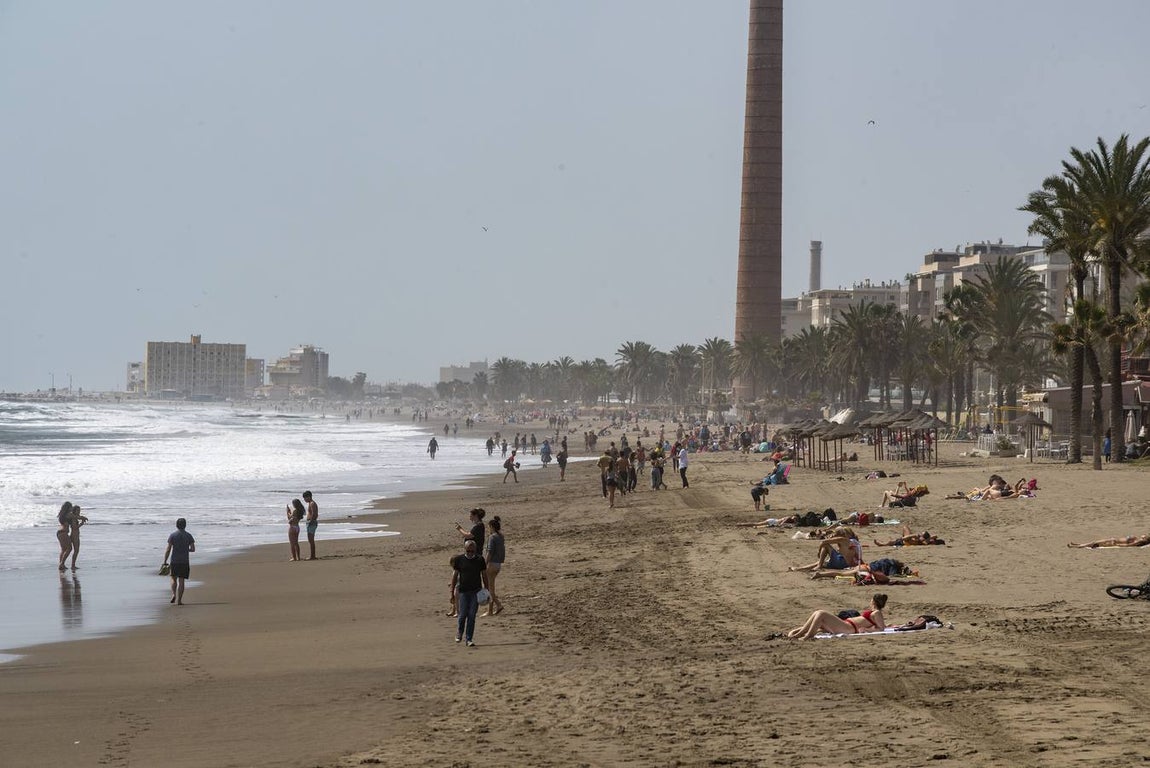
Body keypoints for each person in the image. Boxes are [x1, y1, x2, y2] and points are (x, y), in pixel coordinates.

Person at [782, 593, 888, 640]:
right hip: (847, 625)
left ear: (873, 601)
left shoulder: (877, 612)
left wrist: (866, 630)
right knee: (818, 616)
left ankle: (806, 636)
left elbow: (881, 628)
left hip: (849, 628)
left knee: (821, 613)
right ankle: (797, 634)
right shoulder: (874, 613)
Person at [450, 539, 489, 647]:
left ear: (475, 550)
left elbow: (484, 575)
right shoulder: (459, 560)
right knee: (462, 615)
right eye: (468, 551)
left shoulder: (480, 560)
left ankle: (469, 639)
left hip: (476, 591)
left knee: (472, 616)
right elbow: (454, 576)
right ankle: (459, 633)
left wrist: (487, 589)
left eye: (472, 551)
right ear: (465, 550)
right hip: (463, 592)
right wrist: (451, 591)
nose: (470, 553)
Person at [162, 517, 196, 606]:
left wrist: (165, 560)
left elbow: (168, 549)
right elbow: (193, 549)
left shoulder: (173, 535)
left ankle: (173, 594)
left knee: (173, 578)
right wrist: (185, 549)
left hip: (174, 560)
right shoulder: (189, 535)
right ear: (185, 525)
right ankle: (179, 601)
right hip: (184, 561)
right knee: (182, 581)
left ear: (177, 525)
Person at [481, 516, 505, 616]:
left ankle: (496, 606)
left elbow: (490, 552)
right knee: (491, 588)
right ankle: (492, 609)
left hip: (491, 564)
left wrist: (484, 564)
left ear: (491, 526)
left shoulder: (492, 537)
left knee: (490, 589)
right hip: (498, 564)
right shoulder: (501, 536)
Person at [874, 524, 944, 547]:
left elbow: (905, 538)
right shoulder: (929, 540)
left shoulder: (923, 542)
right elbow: (935, 536)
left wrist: (914, 535)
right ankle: (882, 544)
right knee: (905, 527)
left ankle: (882, 544)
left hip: (906, 541)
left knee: (891, 542)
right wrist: (928, 538)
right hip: (906, 540)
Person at [56, 501, 75, 571]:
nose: (72, 508)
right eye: (71, 507)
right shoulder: (68, 515)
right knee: (69, 548)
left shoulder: (62, 515)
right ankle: (62, 563)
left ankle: (61, 564)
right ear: (68, 508)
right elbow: (76, 516)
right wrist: (83, 518)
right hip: (63, 533)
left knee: (63, 549)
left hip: (60, 533)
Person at [1067, 534, 1150, 549]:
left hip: (1113, 542)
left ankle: (1078, 546)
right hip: (1113, 540)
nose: (1145, 535)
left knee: (1095, 542)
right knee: (1095, 542)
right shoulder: (1140, 539)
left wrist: (1118, 545)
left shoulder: (1139, 542)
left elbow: (1129, 545)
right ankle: (1079, 544)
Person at [303, 490, 319, 560]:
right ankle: (312, 555)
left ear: (309, 497)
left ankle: (312, 556)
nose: (304, 499)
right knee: (310, 540)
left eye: (305, 498)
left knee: (311, 540)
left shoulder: (312, 503)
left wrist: (311, 521)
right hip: (310, 522)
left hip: (311, 523)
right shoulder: (310, 503)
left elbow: (314, 514)